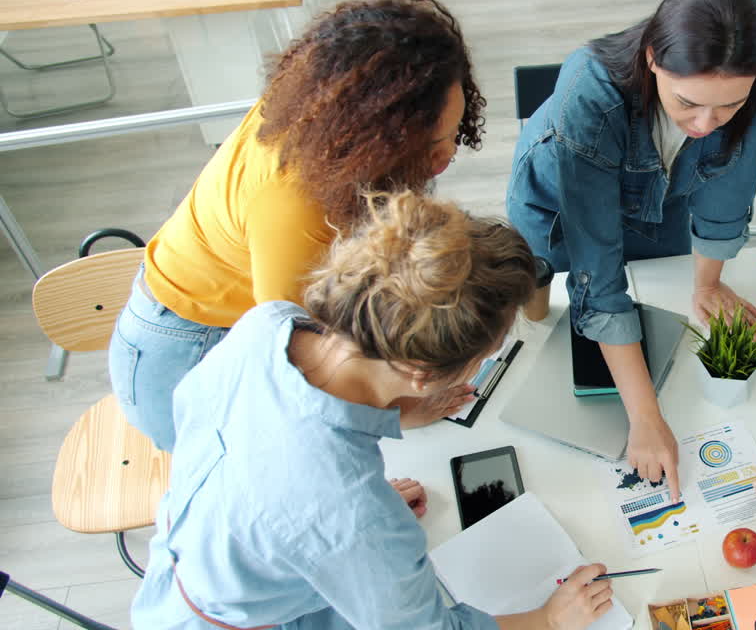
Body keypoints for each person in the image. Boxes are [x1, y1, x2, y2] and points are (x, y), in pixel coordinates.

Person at [131, 190, 615, 630]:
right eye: (484, 356)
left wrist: (338, 526)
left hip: (198, 555)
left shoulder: (268, 323)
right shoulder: (353, 513)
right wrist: (549, 619)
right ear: (423, 374)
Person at [108, 0, 486, 451]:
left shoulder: (320, 111)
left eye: (453, 134)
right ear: (377, 133)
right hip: (189, 348)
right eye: (428, 145)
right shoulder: (291, 206)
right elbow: (299, 372)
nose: (446, 157)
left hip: (218, 320)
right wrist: (401, 411)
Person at [506, 0, 756, 496]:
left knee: (662, 297)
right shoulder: (587, 94)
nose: (706, 124)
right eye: (688, 102)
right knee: (547, 329)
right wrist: (647, 418)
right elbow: (596, 275)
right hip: (560, 212)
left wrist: (707, 283)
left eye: (729, 106)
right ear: (653, 58)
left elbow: (732, 181)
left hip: (663, 196)